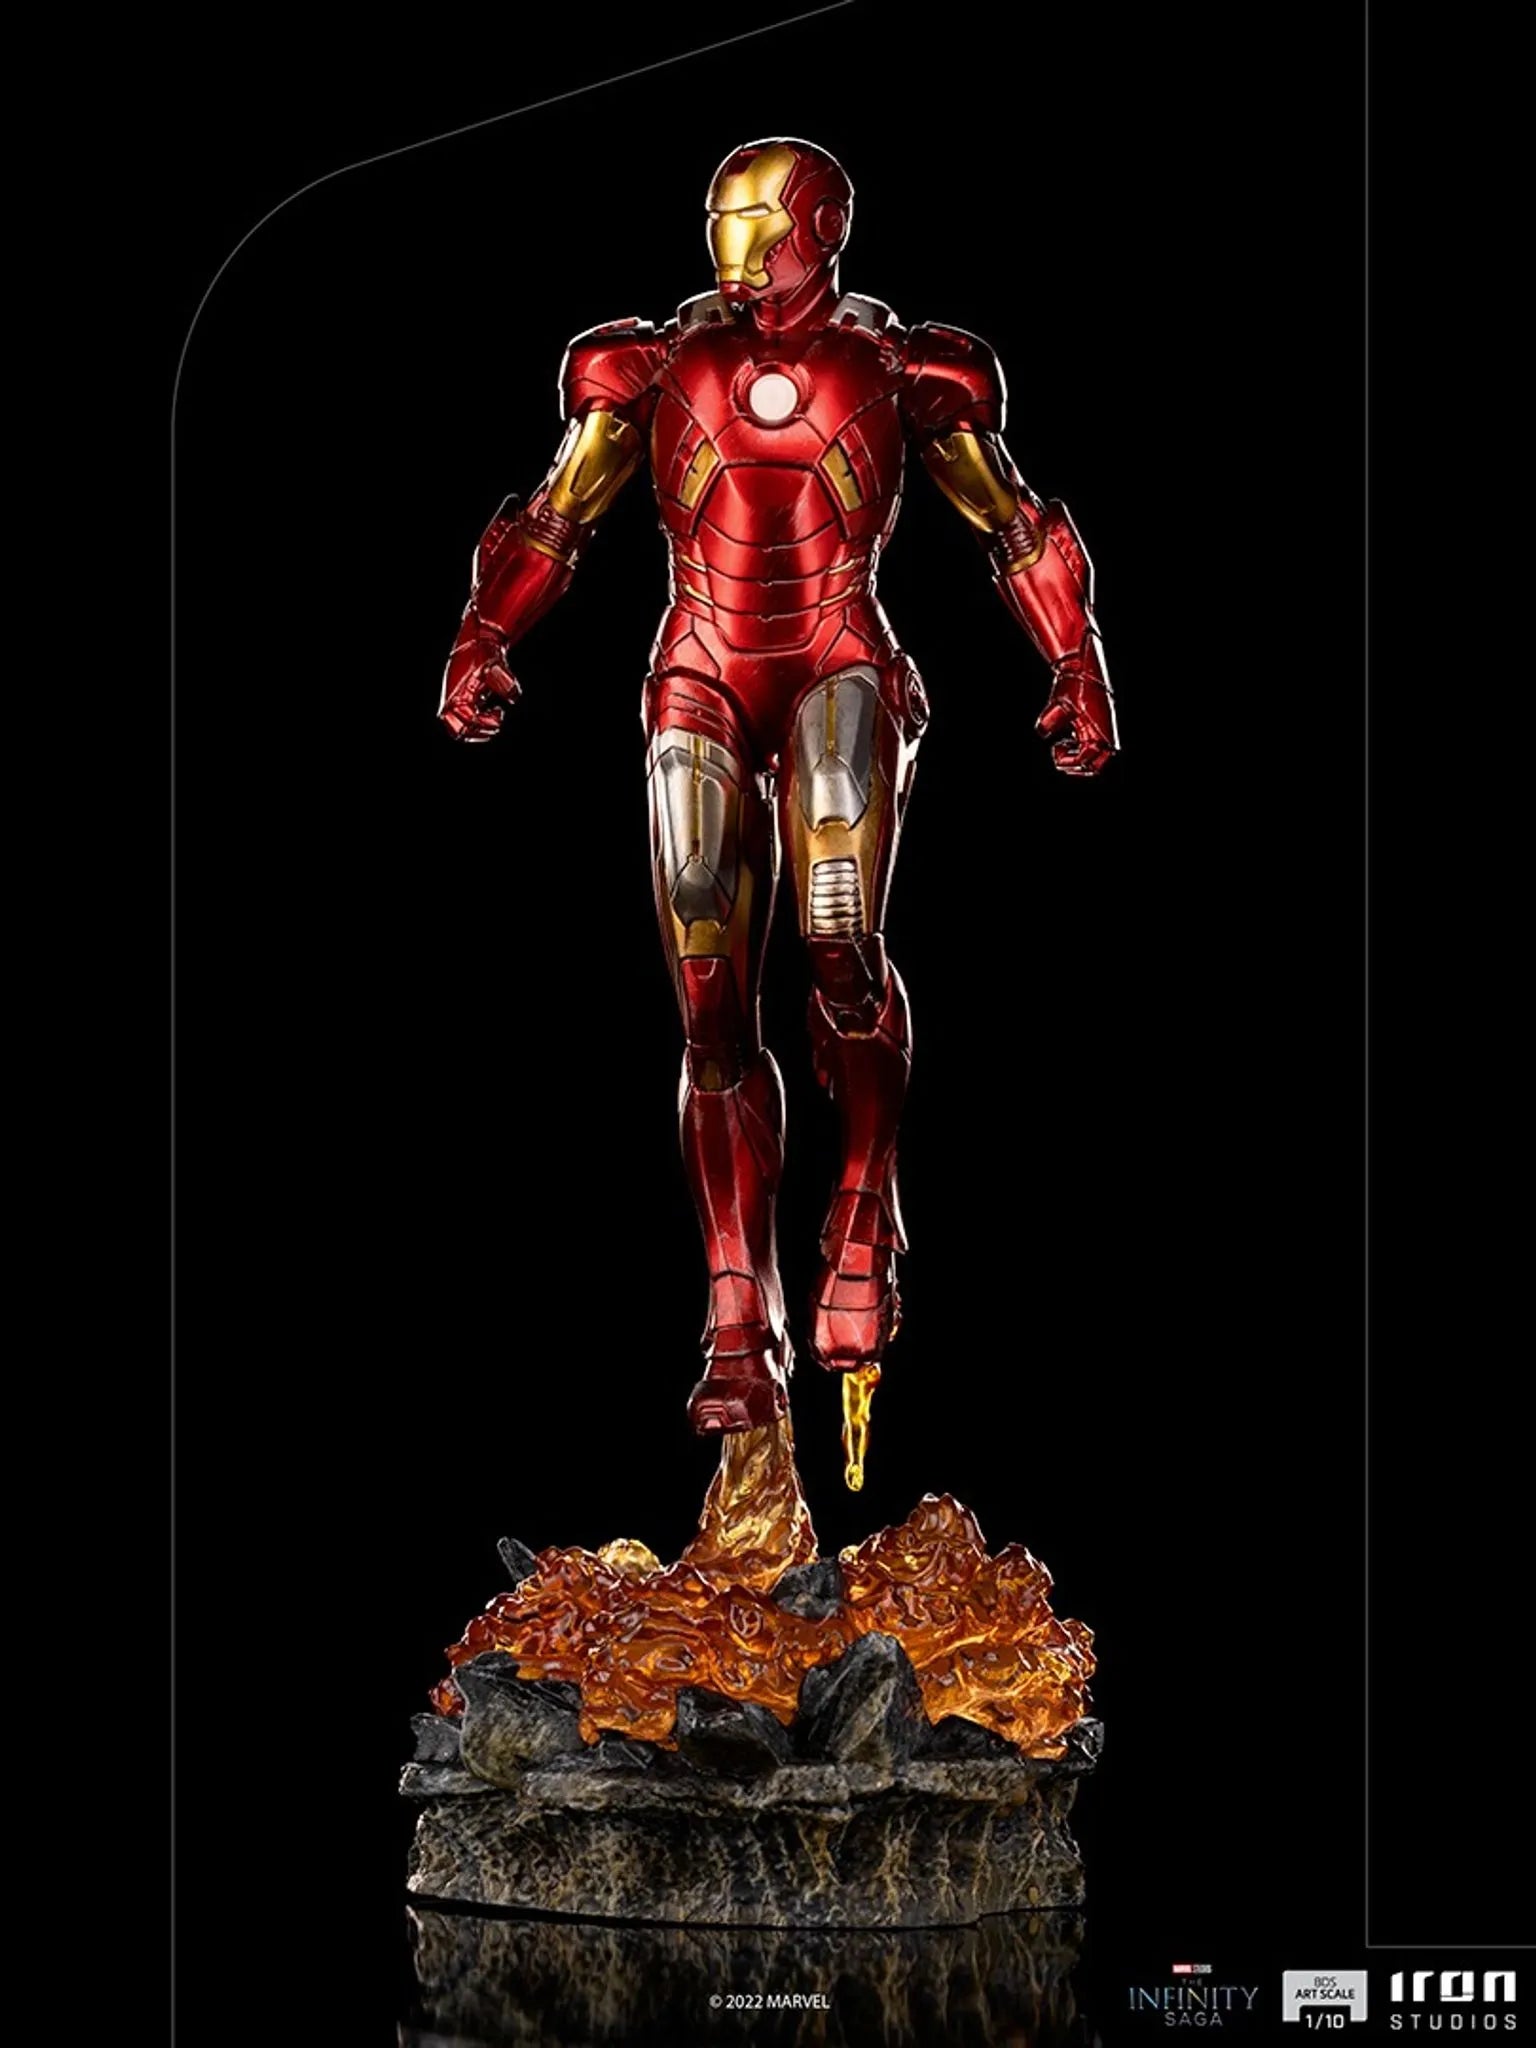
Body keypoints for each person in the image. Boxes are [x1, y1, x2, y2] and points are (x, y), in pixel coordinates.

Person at [438, 137, 1118, 1436]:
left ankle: (863, 1195)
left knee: (839, 936)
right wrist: (487, 632)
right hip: (700, 668)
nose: (735, 246)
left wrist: (1076, 659)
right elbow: (560, 512)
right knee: (707, 986)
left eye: (759, 221)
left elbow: (1010, 519)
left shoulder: (898, 366)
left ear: (822, 226)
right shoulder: (656, 363)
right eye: (722, 218)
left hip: (836, 661)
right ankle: (737, 1321)